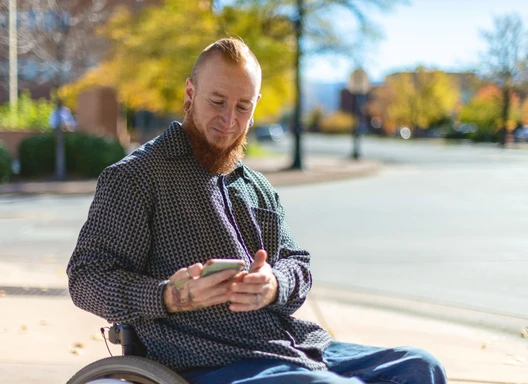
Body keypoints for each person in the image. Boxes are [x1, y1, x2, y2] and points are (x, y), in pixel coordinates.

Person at [67, 38, 447, 384]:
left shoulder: (257, 187)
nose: (229, 120)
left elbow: (298, 264)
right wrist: (170, 295)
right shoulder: (136, 177)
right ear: (189, 93)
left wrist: (274, 284)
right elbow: (85, 279)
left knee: (422, 367)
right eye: (217, 102)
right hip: (207, 360)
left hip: (294, 345)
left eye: (243, 106)